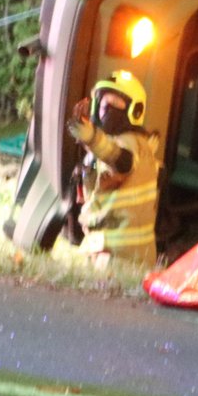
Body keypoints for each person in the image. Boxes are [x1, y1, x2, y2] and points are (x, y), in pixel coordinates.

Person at [66, 70, 160, 267]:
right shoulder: (111, 141)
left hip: (122, 258)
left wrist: (92, 138)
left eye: (115, 104)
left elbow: (122, 161)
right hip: (108, 250)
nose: (106, 109)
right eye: (102, 104)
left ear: (134, 111)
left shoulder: (133, 142)